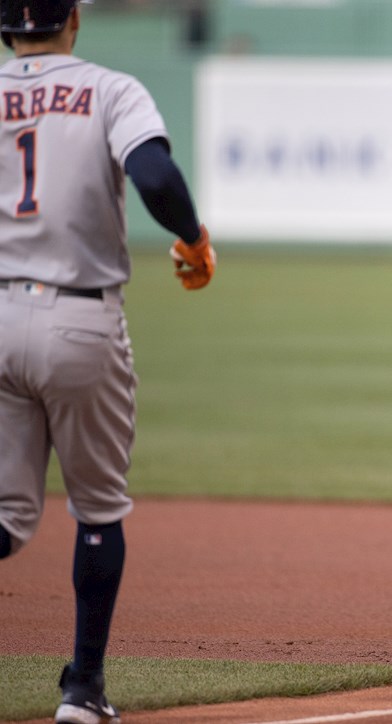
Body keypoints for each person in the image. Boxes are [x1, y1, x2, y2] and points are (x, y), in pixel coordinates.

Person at [0, 1, 216, 721]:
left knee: (7, 520)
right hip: (78, 317)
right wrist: (192, 238)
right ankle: (82, 691)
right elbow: (155, 177)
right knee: (96, 510)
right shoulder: (109, 88)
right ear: (74, 20)